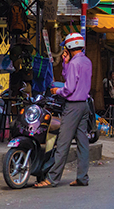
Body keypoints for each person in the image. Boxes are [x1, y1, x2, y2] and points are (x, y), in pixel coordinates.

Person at [35, 33, 92, 188]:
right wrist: (66, 62)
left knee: (62, 144)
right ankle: (82, 178)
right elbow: (69, 77)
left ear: (70, 46)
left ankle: (52, 179)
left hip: (73, 106)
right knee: (82, 143)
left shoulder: (75, 64)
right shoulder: (86, 62)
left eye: (66, 46)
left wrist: (56, 92)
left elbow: (68, 88)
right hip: (84, 105)